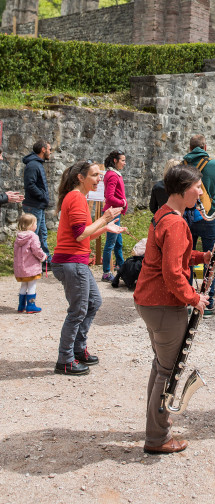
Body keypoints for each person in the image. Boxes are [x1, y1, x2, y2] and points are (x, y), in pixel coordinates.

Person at [134, 164, 211, 455]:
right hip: (164, 304)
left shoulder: (163, 215)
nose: (200, 192)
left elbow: (173, 256)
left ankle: (154, 428)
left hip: (150, 301)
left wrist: (202, 256)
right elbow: (171, 272)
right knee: (168, 372)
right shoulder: (176, 223)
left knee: (160, 367)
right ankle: (157, 438)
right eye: (197, 187)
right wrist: (194, 298)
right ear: (182, 189)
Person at [52, 161, 125, 376]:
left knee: (93, 302)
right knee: (78, 310)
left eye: (99, 175)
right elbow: (79, 235)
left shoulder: (78, 198)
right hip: (71, 262)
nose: (99, 179)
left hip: (75, 261)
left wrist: (106, 227)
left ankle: (77, 350)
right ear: (80, 178)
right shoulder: (75, 197)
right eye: (94, 175)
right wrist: (104, 218)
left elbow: (84, 234)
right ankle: (65, 360)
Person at [183, 134, 215, 316]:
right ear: (205, 147)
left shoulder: (182, 165)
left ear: (190, 148)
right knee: (211, 258)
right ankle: (208, 303)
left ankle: (186, 300)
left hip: (187, 215)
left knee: (186, 258)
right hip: (210, 215)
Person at [22, 139, 52, 268]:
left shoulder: (37, 164)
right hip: (33, 205)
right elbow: (30, 185)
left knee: (42, 234)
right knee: (33, 236)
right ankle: (30, 263)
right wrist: (42, 196)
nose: (50, 152)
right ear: (43, 150)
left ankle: (45, 261)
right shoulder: (33, 165)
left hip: (38, 206)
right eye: (49, 149)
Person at [101, 150, 128, 282]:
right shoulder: (112, 175)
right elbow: (109, 197)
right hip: (112, 213)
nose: (124, 163)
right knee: (110, 244)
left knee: (118, 243)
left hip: (116, 212)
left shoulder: (114, 174)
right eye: (122, 160)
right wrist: (123, 202)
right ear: (115, 161)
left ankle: (121, 267)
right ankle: (106, 272)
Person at [14, 212, 47, 313]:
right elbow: (36, 250)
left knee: (24, 285)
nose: (36, 225)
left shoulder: (18, 237)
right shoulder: (33, 236)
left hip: (21, 268)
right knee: (32, 285)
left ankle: (21, 306)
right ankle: (31, 306)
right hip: (31, 267)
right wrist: (43, 256)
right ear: (31, 225)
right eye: (35, 223)